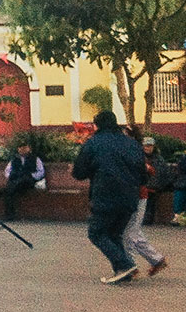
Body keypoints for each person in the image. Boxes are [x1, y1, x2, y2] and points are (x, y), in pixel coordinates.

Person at [72, 111, 148, 284]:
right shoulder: (132, 144)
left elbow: (79, 172)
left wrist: (91, 171)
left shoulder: (93, 144)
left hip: (105, 195)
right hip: (130, 197)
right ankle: (123, 270)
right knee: (114, 234)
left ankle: (125, 264)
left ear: (97, 125)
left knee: (96, 232)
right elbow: (143, 176)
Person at [122, 126, 167, 277]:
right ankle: (156, 259)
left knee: (129, 233)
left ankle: (131, 267)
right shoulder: (128, 151)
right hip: (128, 196)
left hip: (138, 196)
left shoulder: (134, 153)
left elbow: (150, 171)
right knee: (132, 231)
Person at [0, 141, 45, 220]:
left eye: (25, 148)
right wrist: (11, 176)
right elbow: (7, 171)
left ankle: (3, 191)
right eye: (21, 148)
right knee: (10, 191)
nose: (23, 150)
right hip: (15, 181)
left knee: (14, 186)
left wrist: (31, 176)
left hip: (28, 181)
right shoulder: (14, 159)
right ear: (18, 149)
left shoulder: (35, 159)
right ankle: (9, 215)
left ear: (29, 149)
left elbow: (41, 172)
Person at [140, 137, 171, 225]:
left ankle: (148, 218)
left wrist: (155, 185)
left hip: (153, 186)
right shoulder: (139, 157)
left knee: (150, 199)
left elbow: (162, 174)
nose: (148, 148)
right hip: (141, 185)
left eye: (150, 146)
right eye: (146, 146)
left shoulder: (159, 159)